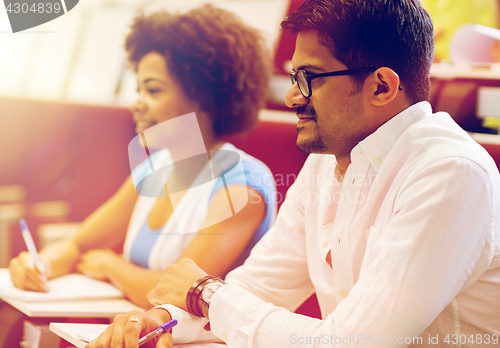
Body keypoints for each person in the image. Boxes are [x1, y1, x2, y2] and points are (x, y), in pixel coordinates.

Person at [88, 0, 500, 347]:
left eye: (309, 79)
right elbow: (262, 284)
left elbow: (351, 343)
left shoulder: (450, 174)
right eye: (293, 77)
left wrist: (204, 294)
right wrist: (161, 318)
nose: (290, 97)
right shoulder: (326, 160)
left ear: (381, 88)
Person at [8, 5, 276, 311]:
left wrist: (111, 266)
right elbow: (77, 245)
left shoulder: (243, 183)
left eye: (153, 90)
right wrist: (37, 265)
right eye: (138, 89)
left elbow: (181, 293)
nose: (137, 103)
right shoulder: (155, 168)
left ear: (203, 97)